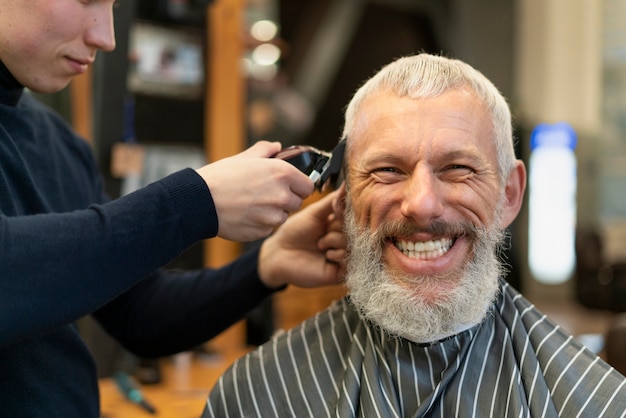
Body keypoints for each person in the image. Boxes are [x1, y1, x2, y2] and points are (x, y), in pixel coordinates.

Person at [203, 53, 626, 417]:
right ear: (346, 198)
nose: (422, 204)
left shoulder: (595, 404)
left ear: (509, 194)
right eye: (387, 170)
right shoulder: (255, 396)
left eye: (458, 168)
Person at [0, 1, 346, 416]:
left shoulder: (59, 143)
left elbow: (139, 315)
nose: (105, 38)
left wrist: (265, 266)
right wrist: (195, 202)